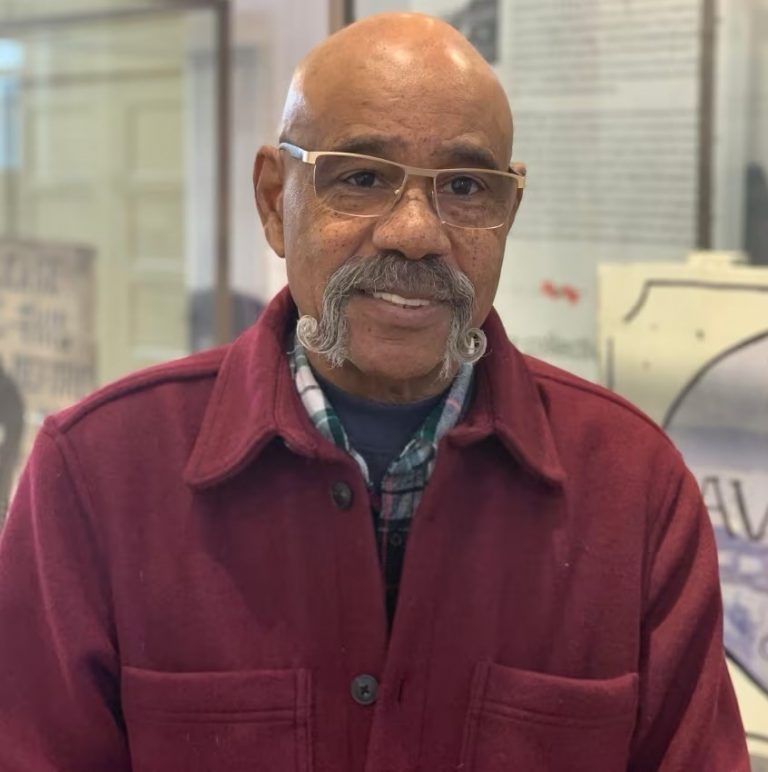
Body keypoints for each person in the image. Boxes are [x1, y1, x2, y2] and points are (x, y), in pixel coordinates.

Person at [0, 12, 749, 772]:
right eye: (360, 177)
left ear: (507, 212)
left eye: (463, 186)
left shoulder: (634, 490)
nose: (416, 233)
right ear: (273, 201)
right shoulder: (96, 477)